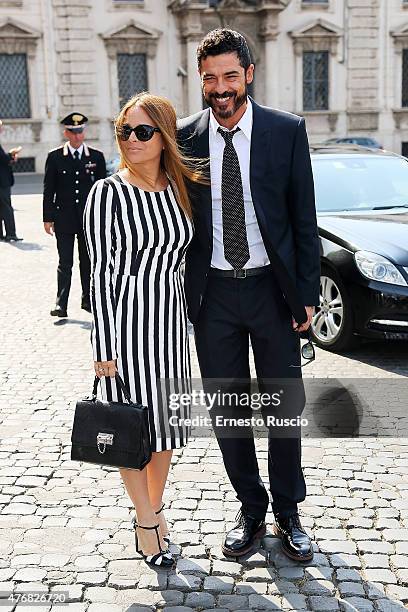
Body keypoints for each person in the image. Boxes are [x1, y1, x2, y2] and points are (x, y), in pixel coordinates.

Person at [178, 29, 321, 562]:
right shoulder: (186, 136)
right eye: (210, 78)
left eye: (230, 77)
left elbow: (304, 219)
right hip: (212, 295)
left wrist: (305, 296)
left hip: (271, 291)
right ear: (201, 79)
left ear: (249, 75)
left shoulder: (286, 131)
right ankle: (251, 507)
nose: (220, 88)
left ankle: (289, 511)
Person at [83, 93, 204, 567]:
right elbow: (101, 273)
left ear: (164, 137)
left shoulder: (179, 188)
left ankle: (154, 508)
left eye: (142, 131)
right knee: (130, 430)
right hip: (128, 327)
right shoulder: (108, 192)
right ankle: (147, 521)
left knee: (166, 431)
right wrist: (104, 345)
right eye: (124, 130)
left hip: (171, 327)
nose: (131, 140)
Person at [43, 113, 106, 317]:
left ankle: (88, 299)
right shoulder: (55, 157)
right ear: (66, 133)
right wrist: (47, 217)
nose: (78, 136)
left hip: (88, 219)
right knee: (65, 263)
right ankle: (61, 303)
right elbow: (48, 189)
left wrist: (102, 217)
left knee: (88, 261)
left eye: (80, 132)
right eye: (73, 132)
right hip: (63, 219)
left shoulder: (96, 157)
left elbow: (102, 190)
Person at [0, 120, 23, 242]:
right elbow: (2, 159)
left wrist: (9, 156)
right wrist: (11, 155)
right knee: (7, 208)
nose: (1, 130)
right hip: (2, 182)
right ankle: (11, 233)